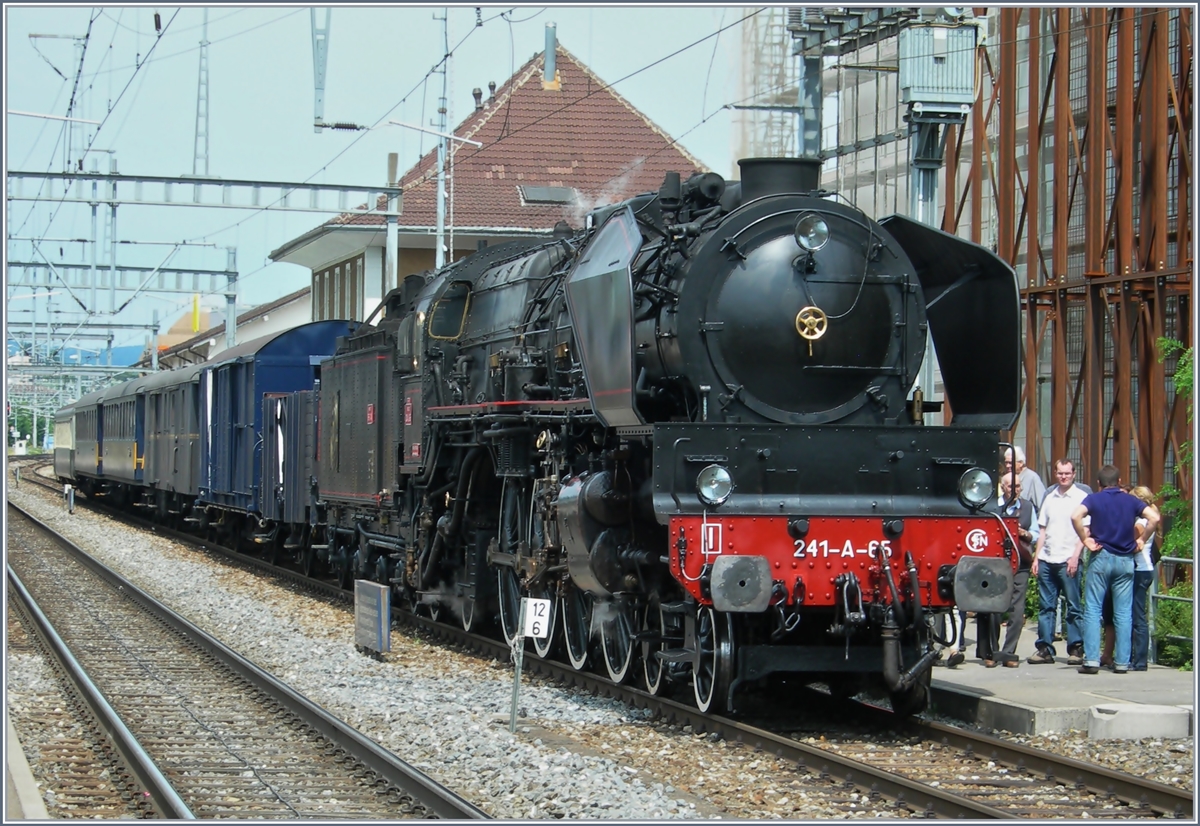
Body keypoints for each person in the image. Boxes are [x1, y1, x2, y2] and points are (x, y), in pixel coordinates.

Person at [1070, 465, 1161, 675]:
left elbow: (1075, 516)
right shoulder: (1130, 500)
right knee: (1123, 612)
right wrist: (1142, 539)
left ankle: (1092, 661)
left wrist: (1085, 540)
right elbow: (1154, 518)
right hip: (1125, 559)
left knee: (1093, 609)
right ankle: (1122, 662)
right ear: (1119, 481)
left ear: (1099, 484)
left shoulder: (1094, 499)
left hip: (1101, 556)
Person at [1027, 458, 1088, 664]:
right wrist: (1037, 558)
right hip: (1047, 558)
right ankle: (1045, 648)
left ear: (1074, 474)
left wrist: (1076, 556)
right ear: (1055, 474)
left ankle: (1076, 648)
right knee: (1046, 606)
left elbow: (1086, 531)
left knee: (1073, 606)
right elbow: (1042, 530)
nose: (1063, 477)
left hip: (1068, 559)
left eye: (1067, 473)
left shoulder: (1081, 497)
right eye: (1060, 473)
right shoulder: (1050, 497)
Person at [978, 474, 1036, 667]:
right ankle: (991, 652)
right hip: (996, 563)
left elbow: (1035, 534)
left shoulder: (1027, 507)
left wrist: (1023, 532)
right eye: (1011, 486)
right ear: (1002, 487)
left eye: (1018, 486)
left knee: (1017, 611)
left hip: (1020, 562)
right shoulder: (992, 506)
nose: (1015, 489)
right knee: (993, 608)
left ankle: (1009, 653)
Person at [1129, 485, 1160, 671]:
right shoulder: (1147, 518)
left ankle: (1139, 660)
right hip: (1145, 568)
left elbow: (1132, 539)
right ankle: (1137, 658)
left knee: (1138, 615)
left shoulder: (1141, 521)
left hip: (1140, 569)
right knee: (1137, 613)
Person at [1004, 446, 1047, 514]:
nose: (1007, 466)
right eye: (1006, 462)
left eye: (1010, 463)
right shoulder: (1006, 477)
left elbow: (1043, 505)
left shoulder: (1032, 477)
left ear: (1021, 463)